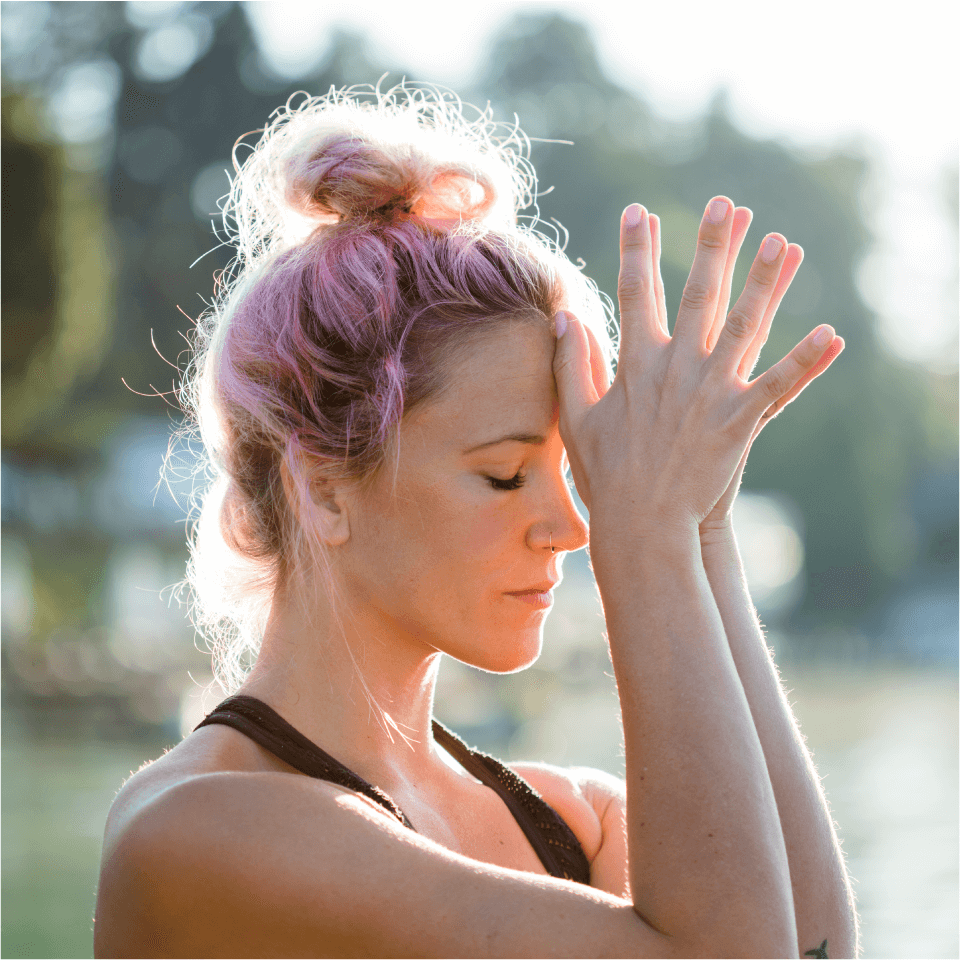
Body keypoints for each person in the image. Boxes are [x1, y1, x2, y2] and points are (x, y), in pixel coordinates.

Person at [93, 83, 858, 958]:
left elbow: (814, 946)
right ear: (326, 488)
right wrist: (646, 542)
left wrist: (699, 525)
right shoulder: (198, 829)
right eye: (505, 475)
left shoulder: (575, 824)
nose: (575, 527)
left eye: (574, 473)